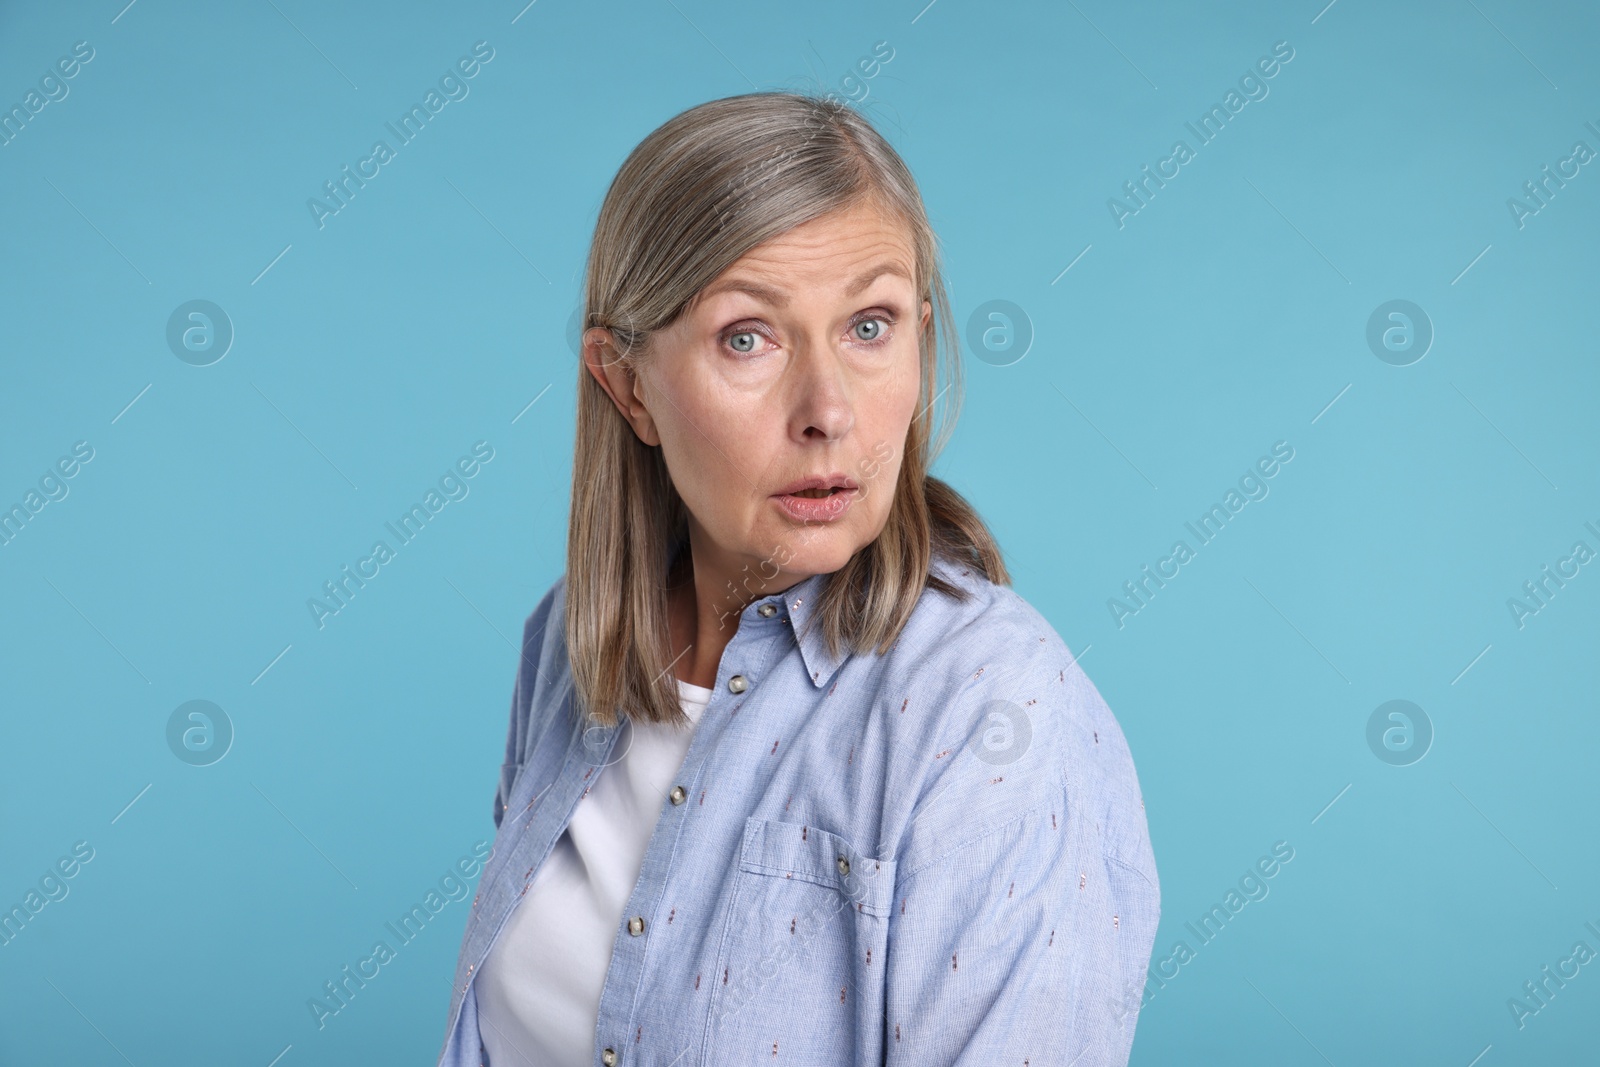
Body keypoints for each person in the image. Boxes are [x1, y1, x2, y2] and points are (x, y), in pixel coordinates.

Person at [436, 90, 1159, 1067]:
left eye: (869, 325)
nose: (829, 409)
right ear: (626, 383)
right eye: (748, 336)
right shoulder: (569, 641)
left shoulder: (995, 714)